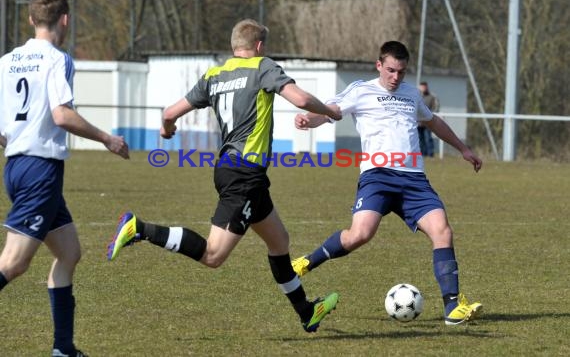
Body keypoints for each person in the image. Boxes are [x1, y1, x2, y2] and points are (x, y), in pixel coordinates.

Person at [107, 19, 341, 332]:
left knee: (279, 241)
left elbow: (168, 114)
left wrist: (167, 130)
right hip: (244, 175)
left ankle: (306, 313)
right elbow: (299, 99)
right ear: (258, 47)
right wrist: (328, 111)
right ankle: (139, 229)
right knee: (213, 255)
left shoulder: (215, 74)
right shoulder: (263, 66)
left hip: (236, 171)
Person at [291, 41, 483, 325]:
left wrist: (463, 148)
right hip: (377, 176)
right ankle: (305, 263)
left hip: (414, 179)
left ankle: (452, 307)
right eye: (391, 70)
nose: (395, 77)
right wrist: (310, 119)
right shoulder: (361, 90)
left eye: (401, 72)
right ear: (379, 65)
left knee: (442, 231)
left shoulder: (411, 94)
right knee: (360, 235)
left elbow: (433, 122)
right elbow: (331, 109)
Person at [0, 0, 130, 357]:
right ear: (65, 20)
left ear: (31, 19)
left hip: (18, 165)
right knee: (13, 262)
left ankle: (63, 349)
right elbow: (61, 114)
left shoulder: (7, 61)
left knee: (69, 252)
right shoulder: (58, 59)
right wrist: (106, 138)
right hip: (41, 169)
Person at [417, 81, 440, 157]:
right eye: (422, 86)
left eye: (424, 87)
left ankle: (430, 154)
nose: (423, 88)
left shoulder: (432, 97)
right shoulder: (416, 96)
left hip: (428, 122)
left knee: (428, 138)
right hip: (419, 122)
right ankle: (422, 154)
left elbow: (436, 108)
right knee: (420, 139)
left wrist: (429, 116)